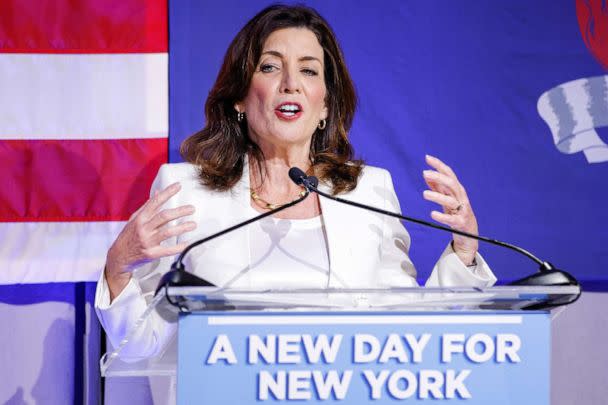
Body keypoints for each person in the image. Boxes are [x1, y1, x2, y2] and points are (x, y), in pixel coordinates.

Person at [95, 4, 496, 359]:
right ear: (239, 98)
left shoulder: (367, 192)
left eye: (308, 69)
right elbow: (139, 343)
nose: (291, 82)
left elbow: (405, 331)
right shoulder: (187, 192)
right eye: (270, 67)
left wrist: (463, 254)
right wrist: (118, 267)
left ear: (324, 104)